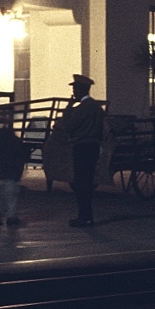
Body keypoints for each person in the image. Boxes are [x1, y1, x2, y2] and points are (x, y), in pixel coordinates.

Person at [53, 73, 104, 227]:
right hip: (93, 147)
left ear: (81, 90)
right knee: (87, 182)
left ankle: (85, 217)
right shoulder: (97, 107)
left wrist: (68, 108)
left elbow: (68, 125)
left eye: (75, 89)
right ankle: (87, 217)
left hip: (81, 147)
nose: (73, 93)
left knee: (81, 184)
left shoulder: (82, 109)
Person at [0, 110, 26, 227]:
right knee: (11, 193)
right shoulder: (14, 140)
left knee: (0, 193)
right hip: (10, 170)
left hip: (2, 169)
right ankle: (11, 216)